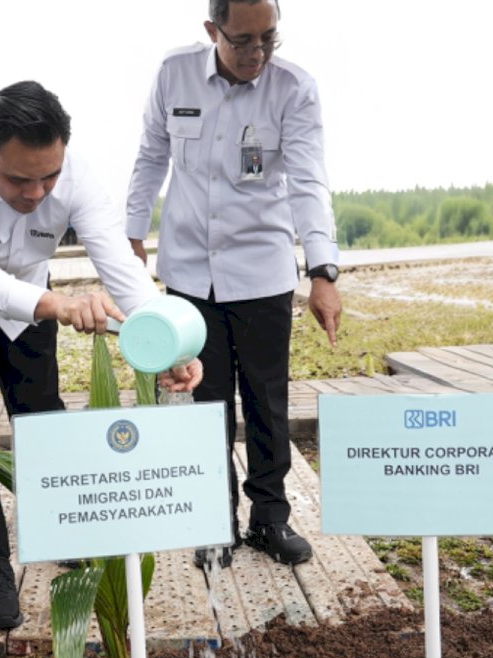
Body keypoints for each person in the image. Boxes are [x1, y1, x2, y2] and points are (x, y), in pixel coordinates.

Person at [0, 80, 202, 629]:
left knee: (40, 405)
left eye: (49, 177)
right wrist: (57, 305)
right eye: (19, 179)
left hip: (28, 292)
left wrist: (169, 341)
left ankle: (62, 526)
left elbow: (122, 272)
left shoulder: (77, 178)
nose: (37, 193)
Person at [125, 0, 342, 569]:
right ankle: (214, 520)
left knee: (267, 402)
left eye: (269, 38)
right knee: (206, 400)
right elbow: (151, 156)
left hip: (261, 271)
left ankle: (269, 516)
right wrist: (131, 232)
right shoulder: (175, 73)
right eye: (243, 41)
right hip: (190, 273)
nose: (258, 54)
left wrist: (322, 270)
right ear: (212, 30)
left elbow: (309, 181)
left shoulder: (294, 88)